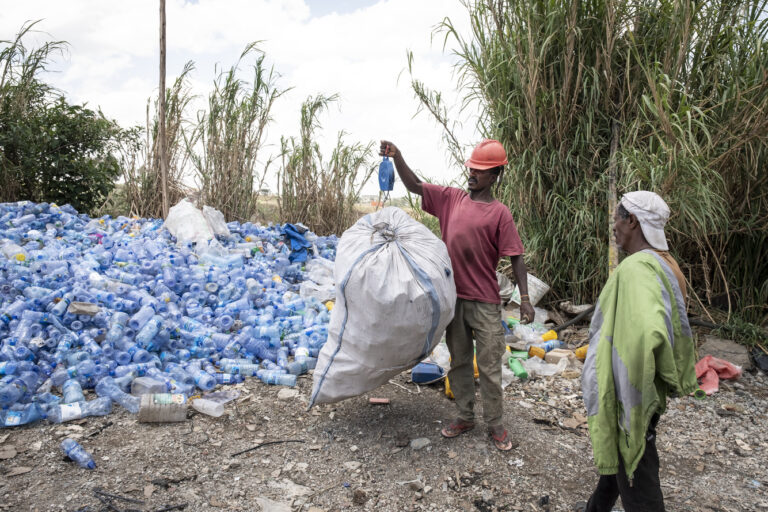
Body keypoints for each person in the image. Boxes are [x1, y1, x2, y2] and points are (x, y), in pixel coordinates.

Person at [379, 139, 535, 451]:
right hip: (455, 299)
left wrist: (526, 298)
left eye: (481, 170)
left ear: (495, 176)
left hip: (486, 302)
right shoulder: (451, 199)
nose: (473, 173)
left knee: (490, 364)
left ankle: (496, 424)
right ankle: (465, 416)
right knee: (460, 361)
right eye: (471, 168)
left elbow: (516, 255)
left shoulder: (499, 213)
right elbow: (415, 186)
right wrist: (398, 156)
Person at [580, 191, 697, 511]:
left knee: (636, 472)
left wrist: (625, 398)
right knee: (618, 465)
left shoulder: (636, 271)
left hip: (632, 395)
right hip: (647, 390)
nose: (614, 227)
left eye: (617, 219)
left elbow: (648, 333)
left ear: (632, 221)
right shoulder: (666, 264)